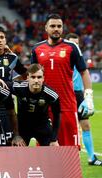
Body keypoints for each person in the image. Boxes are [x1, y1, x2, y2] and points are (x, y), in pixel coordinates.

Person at [31, 13, 94, 147]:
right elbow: (32, 75)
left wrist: (88, 96)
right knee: (44, 149)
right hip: (44, 107)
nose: (56, 29)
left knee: (70, 149)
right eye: (53, 26)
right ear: (46, 28)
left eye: (59, 26)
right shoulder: (37, 49)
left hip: (67, 106)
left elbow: (84, 71)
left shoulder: (71, 47)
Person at [66, 33, 101, 166]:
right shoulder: (63, 58)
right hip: (66, 94)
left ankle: (91, 157)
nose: (75, 46)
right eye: (72, 43)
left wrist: (88, 97)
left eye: (77, 43)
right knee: (64, 126)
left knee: (86, 125)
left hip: (78, 94)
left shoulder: (80, 59)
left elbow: (85, 74)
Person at [12, 64, 60, 146]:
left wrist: (54, 139)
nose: (36, 80)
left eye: (39, 77)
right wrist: (16, 135)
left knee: (51, 153)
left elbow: (57, 116)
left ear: (43, 78)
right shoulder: (18, 87)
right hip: (23, 126)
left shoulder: (52, 95)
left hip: (42, 125)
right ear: (27, 78)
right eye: (33, 77)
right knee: (17, 155)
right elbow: (2, 86)